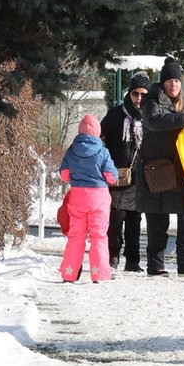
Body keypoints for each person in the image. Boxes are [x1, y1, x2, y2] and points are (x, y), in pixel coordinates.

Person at [136, 56, 184, 277]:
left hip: (179, 170)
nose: (173, 85)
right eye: (169, 81)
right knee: (158, 219)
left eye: (176, 81)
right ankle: (156, 265)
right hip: (156, 170)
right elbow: (154, 121)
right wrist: (183, 120)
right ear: (163, 82)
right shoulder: (152, 101)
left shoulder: (181, 104)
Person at [58, 114, 117, 283]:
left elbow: (64, 174)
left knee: (76, 236)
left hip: (77, 198)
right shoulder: (103, 152)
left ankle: (69, 272)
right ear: (97, 132)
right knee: (99, 236)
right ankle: (99, 273)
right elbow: (111, 176)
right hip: (98, 199)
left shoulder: (71, 150)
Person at [100, 73, 150, 272]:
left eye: (143, 95)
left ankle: (133, 260)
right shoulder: (115, 115)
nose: (138, 99)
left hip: (139, 177)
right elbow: (101, 138)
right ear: (129, 94)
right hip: (117, 175)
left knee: (135, 221)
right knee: (115, 218)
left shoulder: (149, 117)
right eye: (135, 94)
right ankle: (113, 255)